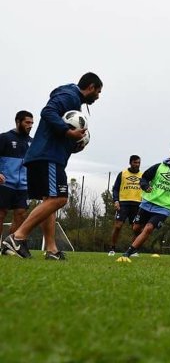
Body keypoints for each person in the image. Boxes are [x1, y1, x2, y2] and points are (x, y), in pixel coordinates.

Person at [2, 73, 103, 260]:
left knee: (49, 200)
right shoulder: (70, 96)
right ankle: (17, 238)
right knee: (60, 198)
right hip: (48, 156)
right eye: (98, 92)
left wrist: (74, 144)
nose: (98, 96)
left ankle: (51, 249)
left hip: (45, 155)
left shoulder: (71, 98)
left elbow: (58, 130)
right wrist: (68, 131)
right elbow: (47, 112)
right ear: (90, 87)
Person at [121, 146, 170, 258]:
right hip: (147, 202)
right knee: (136, 228)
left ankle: (129, 252)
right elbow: (144, 178)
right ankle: (135, 246)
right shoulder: (159, 167)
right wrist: (144, 186)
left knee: (148, 228)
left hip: (164, 207)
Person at [0, 111, 34, 244]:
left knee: (21, 214)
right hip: (5, 183)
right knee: (1, 214)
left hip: (24, 185)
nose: (30, 125)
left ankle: (10, 245)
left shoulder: (33, 142)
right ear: (18, 122)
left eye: (32, 123)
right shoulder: (4, 138)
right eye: (27, 122)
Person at [108, 155, 142, 256]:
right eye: (135, 162)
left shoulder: (142, 175)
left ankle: (133, 250)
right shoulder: (122, 174)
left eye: (139, 163)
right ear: (130, 163)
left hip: (137, 204)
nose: (137, 165)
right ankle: (112, 248)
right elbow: (116, 189)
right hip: (123, 203)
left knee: (136, 228)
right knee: (118, 226)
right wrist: (116, 201)